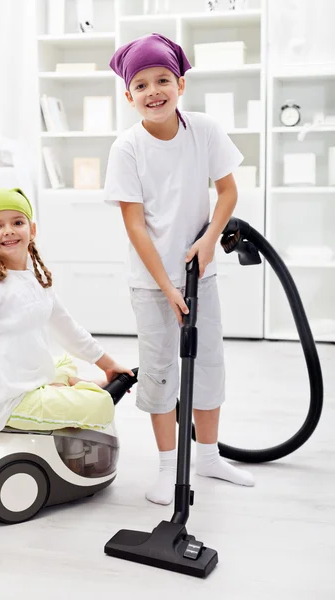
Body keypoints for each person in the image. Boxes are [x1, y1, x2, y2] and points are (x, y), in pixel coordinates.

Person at [104, 33, 255, 505]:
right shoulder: (126, 149)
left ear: (181, 84)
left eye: (163, 80)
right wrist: (166, 286)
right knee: (160, 372)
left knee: (208, 364)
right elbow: (135, 226)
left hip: (200, 276)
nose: (154, 91)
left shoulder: (204, 131)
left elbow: (228, 192)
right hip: (151, 285)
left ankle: (207, 457)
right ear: (129, 96)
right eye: (142, 84)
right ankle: (169, 468)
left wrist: (209, 240)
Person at [0, 187, 133, 450]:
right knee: (101, 405)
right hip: (11, 399)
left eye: (17, 222)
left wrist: (107, 365)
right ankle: (74, 390)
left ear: (32, 230)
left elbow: (69, 328)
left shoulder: (38, 279)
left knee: (65, 361)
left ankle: (63, 386)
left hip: (35, 381)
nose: (8, 230)